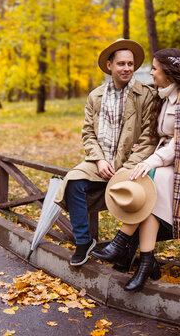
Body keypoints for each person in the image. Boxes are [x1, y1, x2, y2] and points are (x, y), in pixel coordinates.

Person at [91, 48, 180, 291]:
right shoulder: (164, 96)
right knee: (149, 194)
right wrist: (146, 149)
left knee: (149, 180)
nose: (151, 72)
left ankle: (121, 243)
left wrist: (151, 161)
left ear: (168, 71)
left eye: (155, 68)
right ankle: (145, 262)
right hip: (170, 160)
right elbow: (165, 137)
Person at [54, 39, 156, 266]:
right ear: (109, 66)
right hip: (102, 160)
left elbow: (150, 136)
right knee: (73, 182)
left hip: (132, 164)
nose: (127, 68)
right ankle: (83, 242)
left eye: (130, 64)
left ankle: (127, 253)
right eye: (121, 63)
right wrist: (99, 160)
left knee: (139, 200)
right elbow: (88, 134)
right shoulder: (95, 96)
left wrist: (129, 165)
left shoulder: (146, 95)